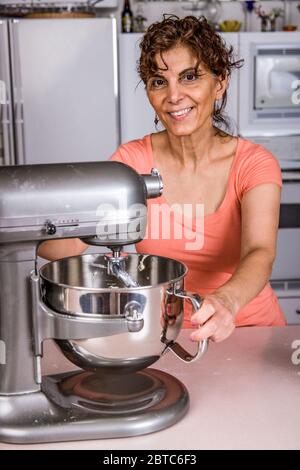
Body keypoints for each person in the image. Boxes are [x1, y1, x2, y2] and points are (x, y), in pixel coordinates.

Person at [39, 15, 286, 342]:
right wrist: (24, 225)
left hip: (248, 330)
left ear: (220, 82)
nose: (173, 96)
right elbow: (68, 244)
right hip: (163, 337)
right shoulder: (131, 161)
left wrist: (227, 301)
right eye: (158, 81)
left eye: (189, 77)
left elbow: (259, 251)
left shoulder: (254, 164)